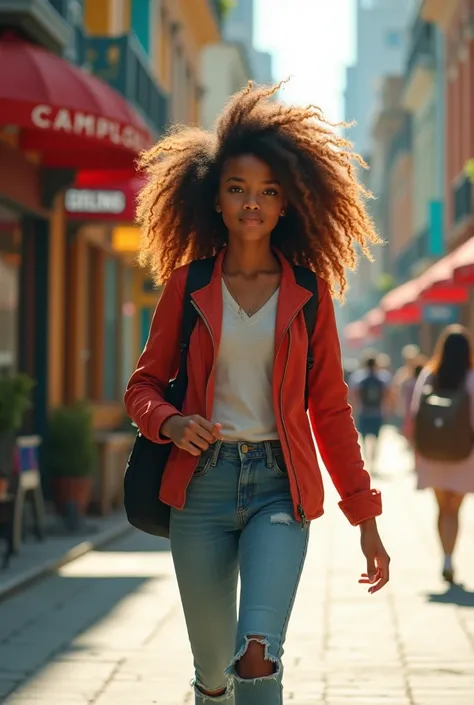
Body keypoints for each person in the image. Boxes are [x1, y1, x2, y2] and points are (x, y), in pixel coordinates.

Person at [124, 82, 390, 705]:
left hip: (278, 486)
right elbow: (141, 387)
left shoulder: (308, 291)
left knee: (256, 657)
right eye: (239, 189)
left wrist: (366, 518)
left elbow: (329, 408)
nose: (253, 203)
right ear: (214, 197)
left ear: (287, 204)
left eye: (269, 191)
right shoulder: (188, 286)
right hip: (200, 488)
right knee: (215, 673)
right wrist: (170, 422)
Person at [409, 325, 474, 584]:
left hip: (433, 451)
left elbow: (415, 414)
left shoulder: (429, 374)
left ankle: (444, 558)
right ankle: (450, 557)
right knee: (454, 509)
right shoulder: (471, 377)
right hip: (464, 452)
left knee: (440, 507)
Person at [349, 353, 392, 473]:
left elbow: (353, 394)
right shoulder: (383, 377)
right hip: (377, 412)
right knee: (376, 438)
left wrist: (354, 409)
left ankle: (366, 458)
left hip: (364, 411)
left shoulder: (358, 377)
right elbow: (387, 394)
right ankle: (373, 460)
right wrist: (387, 408)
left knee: (363, 437)